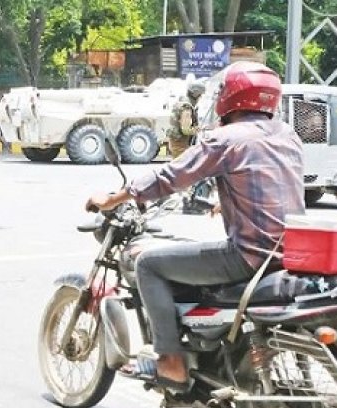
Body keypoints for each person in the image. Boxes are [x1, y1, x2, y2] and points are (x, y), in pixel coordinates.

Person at [85, 62, 305, 390]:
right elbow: (273, 181)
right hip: (291, 251)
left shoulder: (225, 138)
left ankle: (171, 361)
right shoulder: (287, 135)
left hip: (249, 256)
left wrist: (114, 198)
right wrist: (230, 200)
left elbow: (170, 177)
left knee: (148, 264)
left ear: (230, 97)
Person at [166, 80, 206, 158]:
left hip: (177, 142)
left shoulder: (182, 101)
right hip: (180, 144)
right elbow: (186, 130)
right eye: (200, 95)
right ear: (195, 94)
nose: (200, 98)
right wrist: (198, 130)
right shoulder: (186, 108)